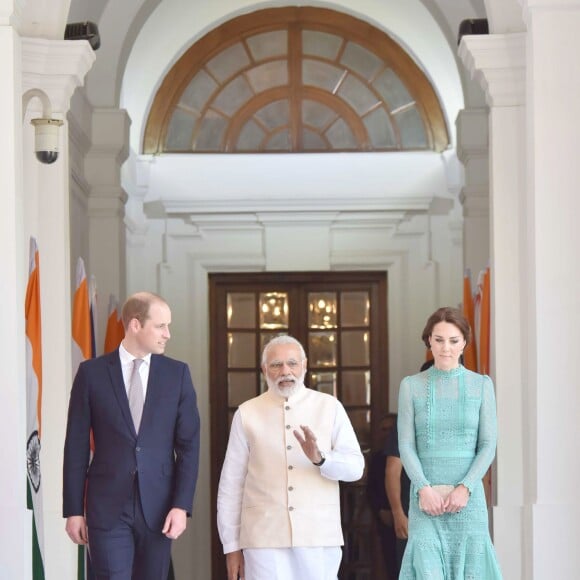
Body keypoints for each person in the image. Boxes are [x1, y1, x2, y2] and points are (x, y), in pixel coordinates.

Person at [63, 292, 201, 580]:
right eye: (161, 326)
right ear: (136, 325)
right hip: (107, 505)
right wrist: (73, 510)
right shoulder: (92, 374)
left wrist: (181, 505)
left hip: (160, 508)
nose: (168, 334)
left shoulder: (177, 375)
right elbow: (75, 446)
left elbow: (189, 447)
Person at [217, 335, 365, 580]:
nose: (285, 371)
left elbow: (355, 468)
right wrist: (231, 546)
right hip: (263, 539)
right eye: (276, 365)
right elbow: (231, 486)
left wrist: (321, 458)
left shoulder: (329, 407)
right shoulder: (246, 413)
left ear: (304, 366)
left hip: (318, 536)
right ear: (265, 369)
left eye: (292, 363)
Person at [398, 307, 502, 579]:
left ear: (464, 343)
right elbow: (406, 445)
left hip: (468, 500)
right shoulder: (411, 385)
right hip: (425, 500)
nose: (446, 347)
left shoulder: (482, 385)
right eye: (439, 339)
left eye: (453, 340)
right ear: (429, 341)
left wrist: (465, 488)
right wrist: (423, 489)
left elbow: (489, 443)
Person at [366, 413, 398, 579]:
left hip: (409, 517)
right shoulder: (377, 458)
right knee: (390, 564)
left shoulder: (409, 455)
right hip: (385, 519)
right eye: (383, 430)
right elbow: (371, 489)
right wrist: (381, 510)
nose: (386, 433)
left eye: (390, 429)